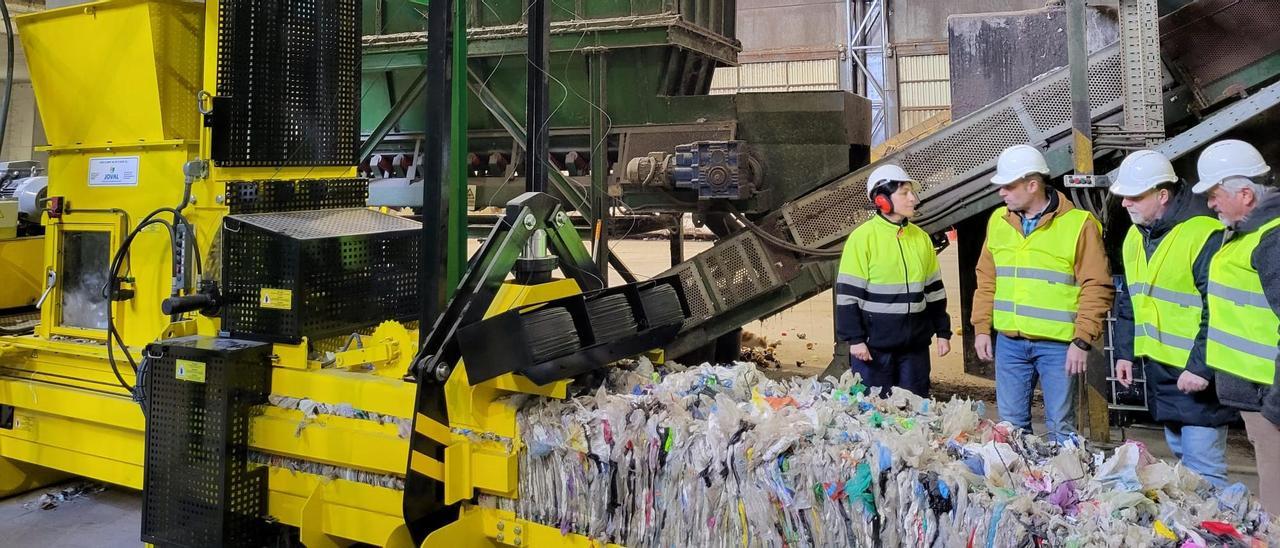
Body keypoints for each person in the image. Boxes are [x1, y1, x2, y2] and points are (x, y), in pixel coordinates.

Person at [1109, 150, 1236, 489]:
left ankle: (1221, 539)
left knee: (1204, 478)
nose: (1125, 204)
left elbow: (1222, 310)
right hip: (1162, 373)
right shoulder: (1135, 236)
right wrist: (1125, 353)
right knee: (1184, 476)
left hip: (1197, 377)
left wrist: (1201, 367)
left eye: (1134, 196)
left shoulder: (1203, 234)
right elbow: (1129, 300)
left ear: (1162, 195)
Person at [971, 145, 1113, 442]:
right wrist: (982, 328)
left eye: (1008, 186)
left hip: (1060, 346)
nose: (1002, 193)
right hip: (1010, 344)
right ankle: (1023, 487)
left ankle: (1064, 487)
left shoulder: (1079, 225)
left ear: (1032, 185)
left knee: (1062, 428)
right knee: (1010, 429)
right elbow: (986, 279)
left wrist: (1082, 339)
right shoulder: (998, 221)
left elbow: (1096, 285)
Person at [1192, 139, 1280, 511]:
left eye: (1214, 195)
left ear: (1245, 194)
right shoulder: (1247, 233)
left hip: (1270, 398)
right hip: (1260, 396)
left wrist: (1275, 402)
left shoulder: (1270, 239)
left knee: (1276, 498)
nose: (1210, 204)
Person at [834, 164, 951, 397]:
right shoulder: (863, 239)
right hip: (873, 350)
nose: (913, 199)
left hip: (915, 349)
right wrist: (855, 340)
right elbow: (847, 296)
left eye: (912, 192)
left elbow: (934, 291)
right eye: (904, 193)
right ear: (882, 200)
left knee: (915, 412)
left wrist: (943, 332)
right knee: (873, 414)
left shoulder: (921, 239)